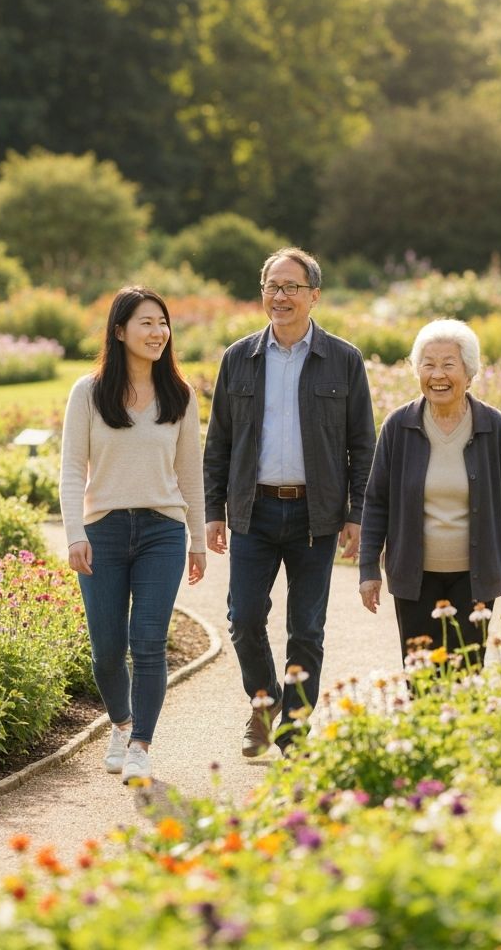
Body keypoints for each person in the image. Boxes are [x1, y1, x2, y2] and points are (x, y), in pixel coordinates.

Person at [204, 247, 376, 756]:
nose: (280, 296)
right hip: (253, 512)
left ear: (314, 296)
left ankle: (295, 728)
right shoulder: (238, 358)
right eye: (272, 287)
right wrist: (214, 510)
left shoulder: (344, 360)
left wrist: (356, 514)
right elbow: (218, 442)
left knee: (307, 627)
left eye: (291, 287)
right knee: (244, 616)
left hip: (315, 516)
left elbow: (362, 444)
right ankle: (264, 701)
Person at [60, 287, 206, 783]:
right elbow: (71, 470)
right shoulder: (88, 392)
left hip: (161, 532)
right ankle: (120, 724)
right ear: (119, 331)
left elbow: (191, 475)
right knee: (105, 649)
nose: (158, 332)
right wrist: (75, 532)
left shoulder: (180, 396)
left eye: (163, 323)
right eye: (146, 323)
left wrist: (198, 540)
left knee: (147, 642)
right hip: (103, 531)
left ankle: (141, 743)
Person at [358, 319, 501, 667]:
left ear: (469, 373)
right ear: (417, 371)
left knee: (465, 673)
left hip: (476, 577)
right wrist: (368, 569)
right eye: (428, 364)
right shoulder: (398, 426)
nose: (438, 374)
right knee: (421, 675)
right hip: (414, 577)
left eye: (448, 365)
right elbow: (377, 501)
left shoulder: (493, 427)